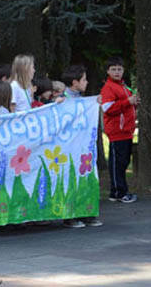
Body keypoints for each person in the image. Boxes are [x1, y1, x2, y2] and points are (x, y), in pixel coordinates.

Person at [58, 65, 104, 228]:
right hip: (69, 148)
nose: (87, 82)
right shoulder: (63, 99)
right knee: (69, 178)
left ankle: (87, 212)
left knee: (86, 177)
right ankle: (70, 215)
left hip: (83, 149)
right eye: (83, 79)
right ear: (74, 82)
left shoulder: (82, 99)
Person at [100, 57, 138, 204]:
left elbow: (125, 107)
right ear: (108, 71)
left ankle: (120, 190)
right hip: (117, 131)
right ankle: (118, 193)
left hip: (127, 130)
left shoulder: (123, 86)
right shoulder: (108, 87)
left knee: (123, 162)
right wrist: (127, 102)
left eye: (119, 69)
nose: (117, 72)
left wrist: (133, 104)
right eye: (113, 69)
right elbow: (107, 108)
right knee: (118, 163)